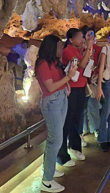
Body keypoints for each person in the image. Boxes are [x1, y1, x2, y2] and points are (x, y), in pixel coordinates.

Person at [36, 35, 77, 193]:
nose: (62, 49)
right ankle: (46, 181)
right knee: (56, 139)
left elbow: (59, 81)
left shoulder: (54, 62)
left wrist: (67, 81)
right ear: (51, 48)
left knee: (55, 138)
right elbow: (50, 87)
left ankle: (49, 168)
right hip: (52, 102)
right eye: (59, 47)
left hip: (60, 99)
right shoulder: (43, 64)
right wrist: (68, 77)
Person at [57, 28, 94, 166]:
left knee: (77, 119)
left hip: (80, 88)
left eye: (82, 36)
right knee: (68, 120)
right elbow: (82, 64)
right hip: (71, 89)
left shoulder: (79, 51)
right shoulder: (68, 51)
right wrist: (89, 48)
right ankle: (62, 154)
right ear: (71, 40)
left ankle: (75, 147)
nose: (82, 39)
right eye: (79, 37)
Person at [81, 28, 102, 141]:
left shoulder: (98, 49)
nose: (91, 37)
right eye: (88, 35)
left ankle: (96, 128)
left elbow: (101, 64)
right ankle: (84, 128)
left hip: (93, 79)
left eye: (93, 35)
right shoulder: (82, 49)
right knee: (83, 106)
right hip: (83, 79)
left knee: (93, 104)